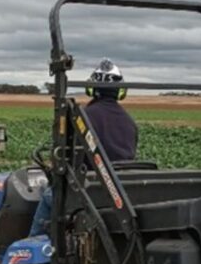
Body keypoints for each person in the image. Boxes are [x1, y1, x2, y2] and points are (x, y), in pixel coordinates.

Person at [29, 59, 138, 236]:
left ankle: (30, 247)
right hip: (120, 193)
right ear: (120, 90)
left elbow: (66, 160)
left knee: (49, 195)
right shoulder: (130, 122)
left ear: (92, 88)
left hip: (89, 191)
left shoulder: (82, 119)